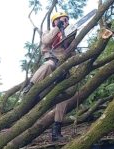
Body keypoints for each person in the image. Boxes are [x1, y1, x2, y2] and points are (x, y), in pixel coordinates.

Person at [22, 11, 75, 141]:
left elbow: (72, 49)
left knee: (63, 97)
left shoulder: (68, 34)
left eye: (66, 20)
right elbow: (46, 40)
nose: (65, 22)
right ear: (55, 21)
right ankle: (30, 87)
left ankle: (56, 130)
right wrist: (58, 27)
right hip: (52, 61)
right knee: (49, 65)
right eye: (62, 20)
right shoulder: (48, 33)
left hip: (64, 67)